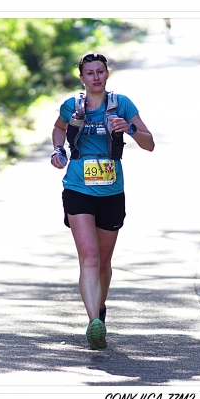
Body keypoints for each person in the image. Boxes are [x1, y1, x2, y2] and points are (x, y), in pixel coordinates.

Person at [50, 53, 154, 350]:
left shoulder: (122, 105)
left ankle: (100, 308)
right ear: (81, 78)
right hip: (77, 188)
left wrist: (129, 129)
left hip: (111, 192)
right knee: (89, 258)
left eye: (100, 71)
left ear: (107, 74)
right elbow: (59, 128)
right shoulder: (72, 106)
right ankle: (94, 322)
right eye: (89, 73)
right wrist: (58, 150)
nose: (95, 77)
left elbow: (149, 143)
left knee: (104, 263)